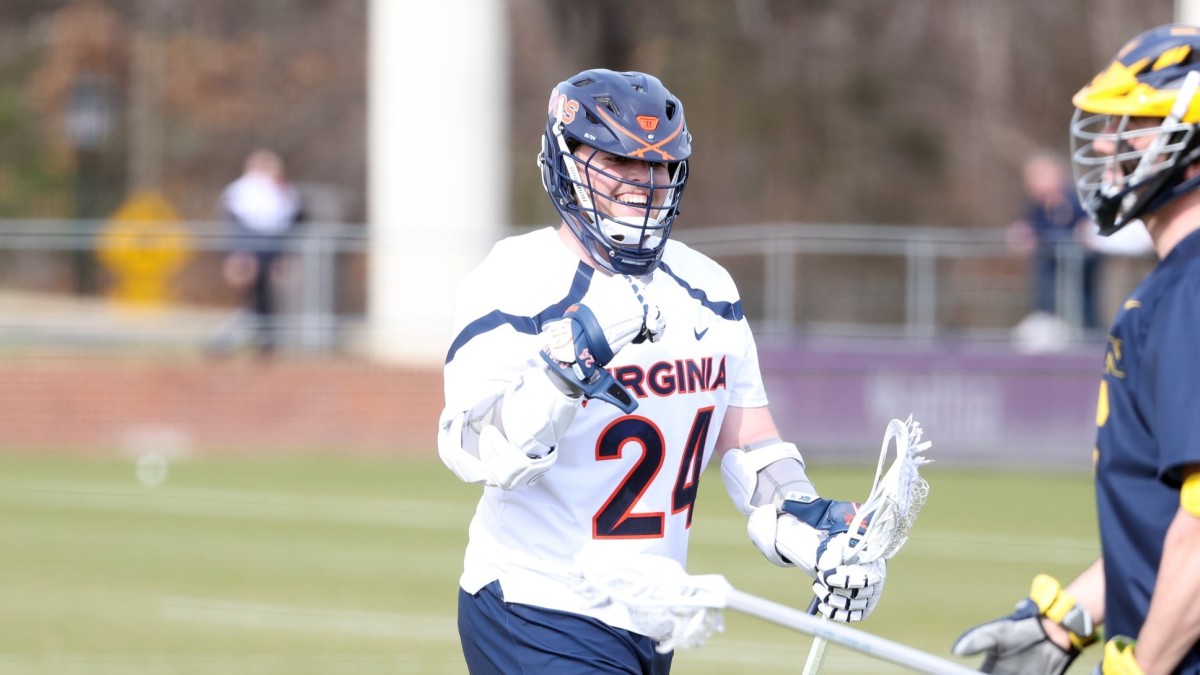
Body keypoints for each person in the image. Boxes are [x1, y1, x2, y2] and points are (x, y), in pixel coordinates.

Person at [437, 68, 886, 674]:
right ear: (567, 160)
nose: (644, 184)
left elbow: (748, 440)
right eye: (620, 163)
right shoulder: (515, 278)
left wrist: (809, 525)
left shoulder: (707, 287)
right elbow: (471, 446)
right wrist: (566, 368)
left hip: (651, 614)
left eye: (659, 166)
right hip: (537, 603)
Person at [952, 24, 1200, 675]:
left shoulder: (1191, 291)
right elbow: (1165, 515)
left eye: (1135, 125)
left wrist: (1147, 665)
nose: (1108, 147)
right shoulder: (1174, 283)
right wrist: (1067, 620)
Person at [214, 149, 303, 353]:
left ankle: (266, 344)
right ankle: (225, 342)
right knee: (248, 303)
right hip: (249, 253)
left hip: (270, 254)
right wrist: (237, 254)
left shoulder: (283, 191)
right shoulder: (242, 190)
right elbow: (234, 223)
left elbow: (287, 225)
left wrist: (284, 256)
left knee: (265, 302)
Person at [1007, 151, 1102, 335]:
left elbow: (1088, 230)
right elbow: (1025, 229)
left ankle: (1088, 334)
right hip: (1049, 267)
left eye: (1036, 177)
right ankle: (1046, 324)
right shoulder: (1034, 207)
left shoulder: (1076, 202)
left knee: (1083, 301)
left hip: (1079, 267)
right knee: (1046, 296)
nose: (1030, 183)